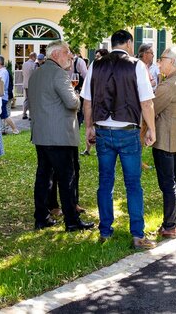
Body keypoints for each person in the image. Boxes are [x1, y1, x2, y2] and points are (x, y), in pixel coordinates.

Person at [82, 30, 157, 249]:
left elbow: (87, 101)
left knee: (105, 182)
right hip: (127, 129)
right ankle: (137, 235)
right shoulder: (136, 65)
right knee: (133, 184)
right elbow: (146, 103)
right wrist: (151, 128)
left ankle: (105, 232)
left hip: (103, 128)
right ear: (128, 43)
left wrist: (89, 127)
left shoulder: (96, 65)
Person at [29, 41, 93, 231]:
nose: (71, 56)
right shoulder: (59, 74)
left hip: (41, 134)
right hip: (59, 136)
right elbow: (72, 103)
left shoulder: (36, 73)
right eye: (67, 52)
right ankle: (72, 221)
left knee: (43, 177)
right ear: (55, 54)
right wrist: (77, 95)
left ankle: (41, 217)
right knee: (67, 179)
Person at [150, 46, 176, 239]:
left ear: (173, 62)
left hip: (165, 140)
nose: (159, 62)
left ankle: (169, 226)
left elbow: (151, 109)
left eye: (162, 59)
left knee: (169, 185)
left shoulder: (168, 85)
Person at [0, 55, 19, 135]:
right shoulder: (0, 71)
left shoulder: (3, 72)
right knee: (2, 114)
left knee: (4, 115)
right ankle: (11, 129)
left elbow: (1, 84)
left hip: (1, 96)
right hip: (0, 96)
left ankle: (15, 129)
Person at [22, 53, 38, 120]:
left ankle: (24, 114)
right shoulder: (34, 65)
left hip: (25, 84)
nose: (36, 59)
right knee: (32, 100)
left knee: (26, 99)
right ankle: (31, 116)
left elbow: (23, 74)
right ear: (33, 57)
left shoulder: (24, 64)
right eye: (35, 57)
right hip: (32, 85)